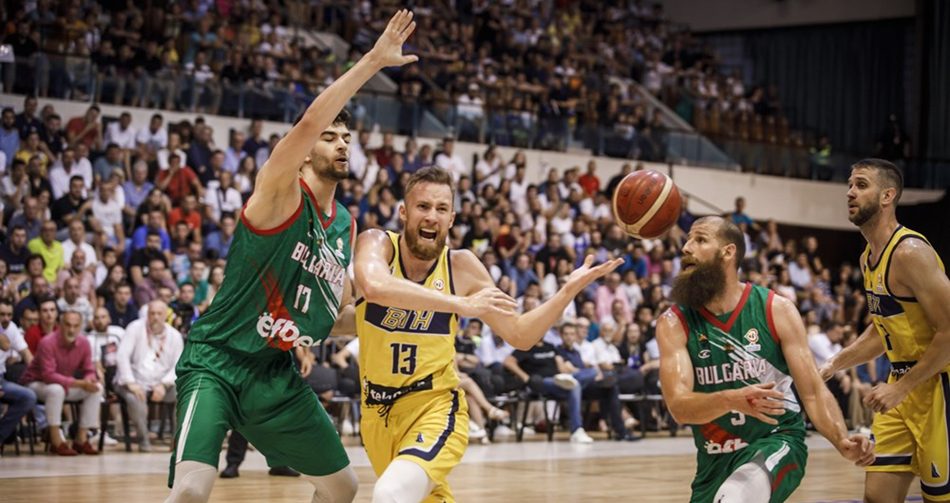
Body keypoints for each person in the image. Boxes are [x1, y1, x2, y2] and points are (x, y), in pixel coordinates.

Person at [166, 11, 419, 503]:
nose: (341, 141)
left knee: (343, 488)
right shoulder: (279, 193)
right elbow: (309, 121)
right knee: (193, 490)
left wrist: (400, 314)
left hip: (274, 376)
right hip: (217, 362)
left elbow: (331, 319)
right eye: (331, 136)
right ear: (304, 152)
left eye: (347, 137)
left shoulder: (343, 224)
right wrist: (372, 61)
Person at [352, 166, 622, 502]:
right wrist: (458, 304)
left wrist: (566, 292)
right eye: (422, 207)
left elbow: (519, 334)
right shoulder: (376, 243)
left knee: (390, 494)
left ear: (452, 218)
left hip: (435, 407)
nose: (431, 217)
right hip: (375, 412)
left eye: (441, 209)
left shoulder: (462, 267)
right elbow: (374, 285)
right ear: (404, 212)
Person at [655, 216, 873, 502]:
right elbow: (680, 407)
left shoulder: (776, 309)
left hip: (777, 441)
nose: (686, 247)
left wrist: (841, 439)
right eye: (688, 239)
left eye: (700, 239)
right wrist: (731, 399)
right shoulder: (674, 322)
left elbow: (813, 391)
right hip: (714, 460)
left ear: (728, 252)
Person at [819, 158, 950, 503]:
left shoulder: (911, 252)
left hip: (939, 386)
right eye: (850, 184)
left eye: (861, 185)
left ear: (888, 195)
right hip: (900, 389)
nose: (850, 192)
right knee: (877, 498)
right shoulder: (867, 258)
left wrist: (903, 387)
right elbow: (881, 330)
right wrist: (834, 364)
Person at [21, 310, 102, 455]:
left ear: (80, 326)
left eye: (75, 326)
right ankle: (56, 441)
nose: (71, 329)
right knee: (56, 389)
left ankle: (81, 438)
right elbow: (48, 376)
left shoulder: (84, 342)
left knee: (97, 388)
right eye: (68, 325)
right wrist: (80, 383)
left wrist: (90, 379)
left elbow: (89, 369)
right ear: (59, 325)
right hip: (35, 383)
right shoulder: (47, 342)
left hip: (64, 383)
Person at [116, 301, 184, 452]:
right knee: (135, 398)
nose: (155, 317)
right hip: (134, 380)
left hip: (162, 383)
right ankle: (143, 440)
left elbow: (178, 367)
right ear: (147, 315)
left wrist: (164, 384)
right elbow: (122, 356)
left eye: (159, 314)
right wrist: (130, 382)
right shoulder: (135, 328)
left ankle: (177, 441)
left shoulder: (175, 336)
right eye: (152, 313)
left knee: (184, 395)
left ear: (166, 316)